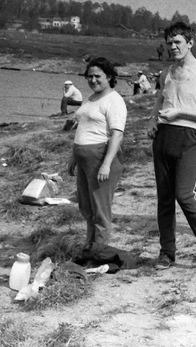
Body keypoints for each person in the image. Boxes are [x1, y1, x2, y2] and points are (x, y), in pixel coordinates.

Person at [146, 22, 196, 272]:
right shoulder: (166, 73)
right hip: (164, 137)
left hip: (190, 138)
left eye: (178, 42)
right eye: (169, 43)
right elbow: (161, 98)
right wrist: (152, 119)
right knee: (165, 199)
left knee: (185, 195)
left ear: (190, 43)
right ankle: (166, 253)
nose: (173, 47)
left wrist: (180, 111)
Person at [67, 57, 126, 246]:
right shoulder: (90, 98)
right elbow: (82, 129)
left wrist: (106, 165)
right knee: (86, 207)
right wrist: (73, 158)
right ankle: (89, 246)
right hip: (83, 158)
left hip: (100, 158)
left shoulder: (114, 100)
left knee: (100, 209)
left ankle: (100, 251)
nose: (93, 80)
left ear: (108, 76)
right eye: (89, 76)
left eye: (97, 76)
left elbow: (117, 135)